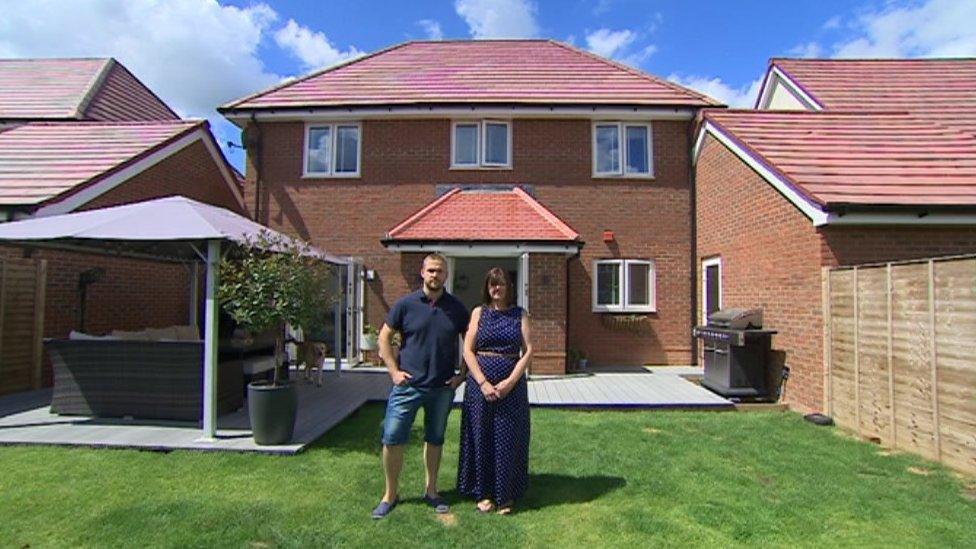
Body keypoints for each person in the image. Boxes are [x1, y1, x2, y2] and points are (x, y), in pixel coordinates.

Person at [371, 253, 469, 519]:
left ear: (445, 275)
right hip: (408, 387)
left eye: (439, 271)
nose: (435, 275)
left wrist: (461, 375)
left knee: (435, 438)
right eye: (431, 271)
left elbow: (470, 344)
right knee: (392, 437)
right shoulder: (405, 304)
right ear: (422, 273)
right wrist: (394, 372)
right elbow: (384, 337)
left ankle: (432, 490)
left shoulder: (457, 308)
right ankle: (390, 494)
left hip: (441, 388)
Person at [457, 267, 532, 515]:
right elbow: (468, 350)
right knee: (482, 437)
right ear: (487, 288)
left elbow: (528, 351)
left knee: (508, 438)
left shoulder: (520, 315)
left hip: (512, 388)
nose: (496, 289)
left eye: (501, 284)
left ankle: (505, 495)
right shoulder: (479, 313)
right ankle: (484, 493)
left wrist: (510, 382)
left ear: (509, 287)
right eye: (492, 284)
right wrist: (482, 382)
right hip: (480, 386)